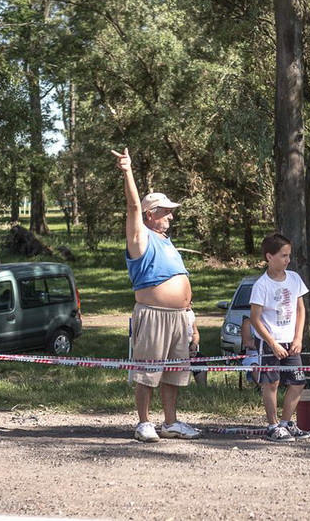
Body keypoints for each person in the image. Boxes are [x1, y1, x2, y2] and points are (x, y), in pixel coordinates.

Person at [113, 147, 201, 443]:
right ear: (151, 215)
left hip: (179, 317)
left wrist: (192, 319)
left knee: (173, 373)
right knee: (147, 372)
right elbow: (133, 207)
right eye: (165, 212)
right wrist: (128, 171)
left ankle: (171, 422)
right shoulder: (141, 238)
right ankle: (143, 423)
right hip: (154, 315)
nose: (171, 217)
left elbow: (182, 285)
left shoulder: (167, 243)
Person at [249, 233, 310, 442]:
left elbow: (300, 309)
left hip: (290, 339)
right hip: (269, 341)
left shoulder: (294, 279)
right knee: (271, 383)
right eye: (283, 255)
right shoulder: (261, 285)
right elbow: (254, 319)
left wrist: (298, 337)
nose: (288, 260)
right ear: (269, 256)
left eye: (289, 255)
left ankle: (286, 422)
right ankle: (273, 425)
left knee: (298, 381)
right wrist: (272, 343)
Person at [186, 300, 207, 387]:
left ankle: (203, 388)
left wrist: (194, 345)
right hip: (174, 352)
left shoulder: (190, 313)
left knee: (200, 359)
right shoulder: (172, 315)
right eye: (189, 301)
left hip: (189, 349)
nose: (191, 303)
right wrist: (185, 353)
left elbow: (195, 333)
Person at [239, 316, 261, 390]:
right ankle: (263, 389)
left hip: (273, 351)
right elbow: (247, 343)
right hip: (253, 354)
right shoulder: (247, 323)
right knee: (253, 364)